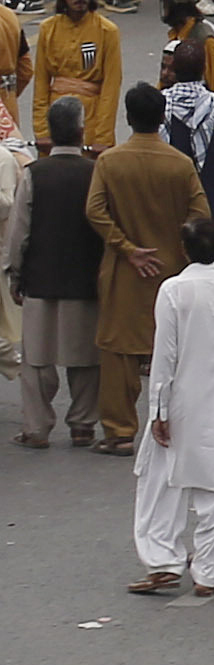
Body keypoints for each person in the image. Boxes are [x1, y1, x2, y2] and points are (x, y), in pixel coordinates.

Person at [129, 212, 214, 599]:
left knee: (160, 484)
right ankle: (207, 575)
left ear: (183, 250)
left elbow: (164, 356)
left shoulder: (174, 291)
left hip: (184, 399)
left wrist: (158, 411)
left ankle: (163, 560)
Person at [87, 80, 201, 450]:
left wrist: (125, 247)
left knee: (118, 353)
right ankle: (173, 423)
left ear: (128, 117)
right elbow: (201, 216)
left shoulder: (109, 161)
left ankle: (120, 431)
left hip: (125, 271)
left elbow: (95, 210)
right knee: (172, 351)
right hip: (170, 270)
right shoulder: (180, 165)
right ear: (161, 118)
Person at [12, 97, 98, 448]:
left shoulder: (34, 175)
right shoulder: (95, 172)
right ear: (81, 131)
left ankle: (37, 427)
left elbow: (20, 232)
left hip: (40, 278)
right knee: (86, 359)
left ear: (48, 132)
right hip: (85, 278)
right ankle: (82, 424)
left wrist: (14, 273)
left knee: (35, 358)